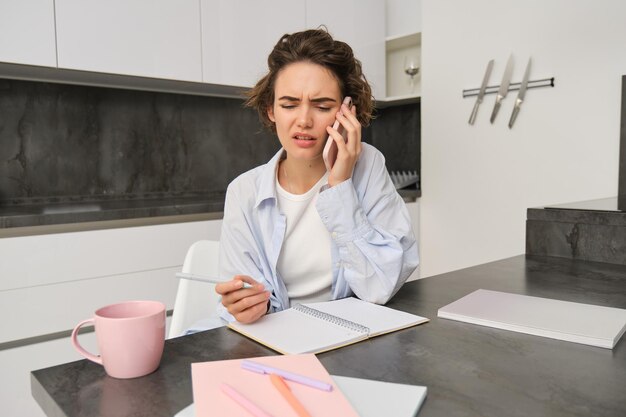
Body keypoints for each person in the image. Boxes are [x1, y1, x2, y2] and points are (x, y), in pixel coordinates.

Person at [215, 28, 418, 324]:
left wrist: (340, 186)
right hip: (277, 338)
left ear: (347, 110)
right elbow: (241, 300)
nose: (304, 120)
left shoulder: (368, 164)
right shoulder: (243, 191)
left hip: (346, 337)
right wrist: (246, 305)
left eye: (323, 106)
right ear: (271, 109)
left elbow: (379, 288)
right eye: (288, 104)